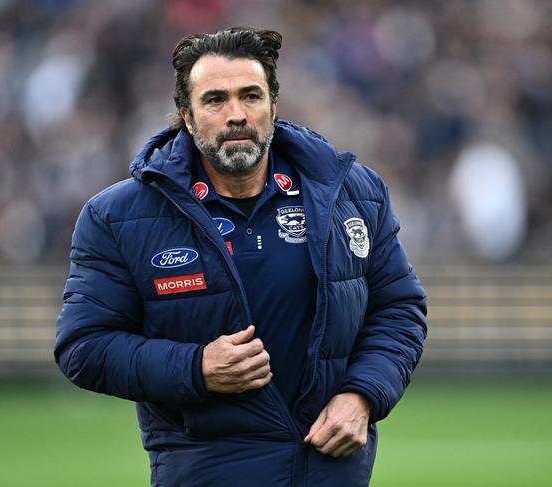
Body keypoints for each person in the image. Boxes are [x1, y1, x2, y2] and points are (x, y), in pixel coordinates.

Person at [54, 26, 427, 487]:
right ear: (187, 117)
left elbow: (398, 309)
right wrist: (196, 368)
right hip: (207, 470)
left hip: (330, 468)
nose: (237, 115)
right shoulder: (116, 216)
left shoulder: (354, 192)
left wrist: (363, 395)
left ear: (273, 106)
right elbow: (83, 347)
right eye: (215, 100)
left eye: (251, 96)